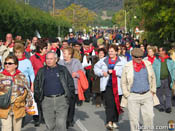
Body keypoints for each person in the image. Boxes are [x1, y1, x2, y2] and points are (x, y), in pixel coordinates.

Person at [34, 51, 75, 131]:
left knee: (61, 124)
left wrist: (69, 97)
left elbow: (70, 84)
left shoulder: (63, 69)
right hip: (46, 100)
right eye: (47, 59)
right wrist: (39, 99)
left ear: (56, 59)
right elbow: (37, 85)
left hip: (61, 100)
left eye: (51, 59)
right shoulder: (41, 71)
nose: (48, 61)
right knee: (50, 125)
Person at [121, 48, 159, 131]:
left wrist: (153, 90)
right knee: (134, 120)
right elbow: (123, 82)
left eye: (141, 57)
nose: (139, 58)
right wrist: (127, 94)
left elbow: (153, 78)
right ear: (132, 56)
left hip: (147, 95)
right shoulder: (127, 66)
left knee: (149, 117)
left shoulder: (147, 64)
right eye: (136, 57)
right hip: (133, 96)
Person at [94, 45, 125, 130]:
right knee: (109, 104)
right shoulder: (103, 60)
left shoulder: (122, 61)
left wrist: (115, 72)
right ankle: (109, 122)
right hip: (107, 85)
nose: (110, 53)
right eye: (109, 51)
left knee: (116, 104)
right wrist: (102, 72)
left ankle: (114, 121)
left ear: (116, 52)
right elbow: (95, 68)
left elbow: (125, 71)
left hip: (118, 86)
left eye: (112, 51)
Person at [0, 55, 32, 131]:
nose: (7, 65)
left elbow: (27, 91)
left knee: (17, 129)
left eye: (10, 63)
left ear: (16, 65)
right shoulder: (1, 76)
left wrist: (29, 104)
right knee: (6, 128)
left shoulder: (21, 76)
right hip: (4, 107)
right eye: (6, 63)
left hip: (18, 107)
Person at [58, 47, 85, 128]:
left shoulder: (76, 62)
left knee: (71, 105)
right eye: (63, 53)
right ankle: (64, 119)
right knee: (63, 105)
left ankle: (70, 120)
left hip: (73, 87)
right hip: (63, 87)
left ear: (70, 54)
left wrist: (76, 74)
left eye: (65, 53)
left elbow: (83, 72)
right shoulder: (60, 62)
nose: (64, 55)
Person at [30, 41, 48, 126]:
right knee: (36, 100)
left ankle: (44, 117)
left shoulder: (47, 57)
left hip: (46, 81)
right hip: (36, 81)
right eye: (45, 48)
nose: (46, 49)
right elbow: (31, 71)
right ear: (40, 49)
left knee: (44, 100)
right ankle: (36, 118)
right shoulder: (33, 58)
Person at [154, 47, 175, 113]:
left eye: (160, 51)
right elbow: (153, 69)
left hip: (167, 78)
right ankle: (161, 106)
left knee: (168, 94)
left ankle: (168, 107)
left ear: (164, 52)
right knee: (159, 93)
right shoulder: (156, 60)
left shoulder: (170, 60)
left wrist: (173, 77)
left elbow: (173, 69)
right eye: (159, 51)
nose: (159, 53)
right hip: (159, 79)